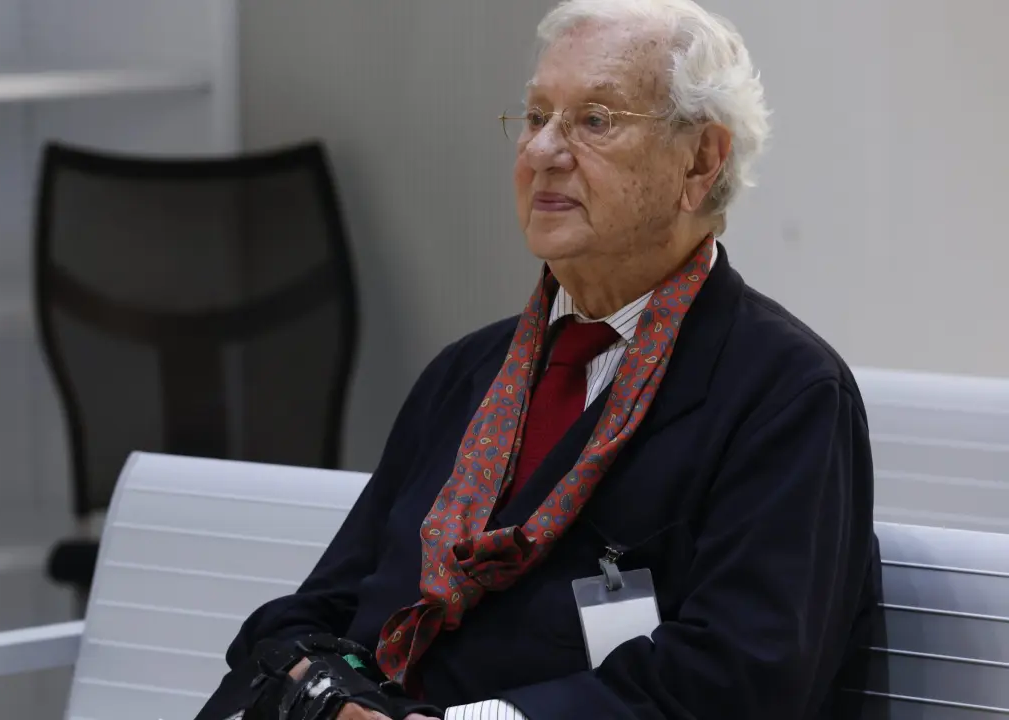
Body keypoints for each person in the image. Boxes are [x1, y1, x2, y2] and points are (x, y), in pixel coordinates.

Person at [195, 0, 881, 718]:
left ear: (700, 161)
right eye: (535, 116)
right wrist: (326, 699)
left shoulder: (787, 394)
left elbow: (739, 682)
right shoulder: (465, 373)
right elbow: (322, 609)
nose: (542, 152)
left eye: (595, 120)